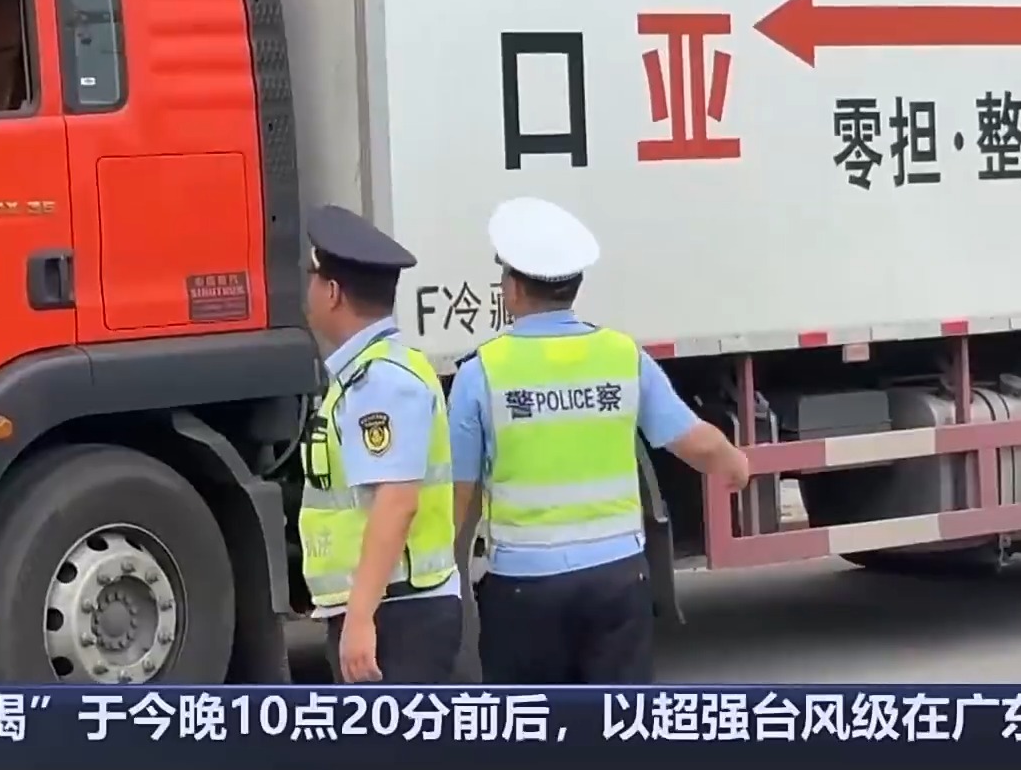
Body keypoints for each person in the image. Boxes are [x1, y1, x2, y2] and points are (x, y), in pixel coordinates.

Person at [449, 196, 752, 684]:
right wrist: (734, 464)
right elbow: (693, 440)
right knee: (616, 720)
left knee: (530, 722)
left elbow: (458, 496)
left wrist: (447, 575)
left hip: (525, 589)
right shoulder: (622, 356)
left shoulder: (480, 372)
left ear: (513, 289)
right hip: (617, 578)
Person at [299, 203, 464, 683]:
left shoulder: (380, 381)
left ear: (333, 293)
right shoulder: (370, 371)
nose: (308, 291)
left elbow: (397, 501)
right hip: (392, 604)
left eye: (313, 278)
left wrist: (359, 618)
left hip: (397, 611)